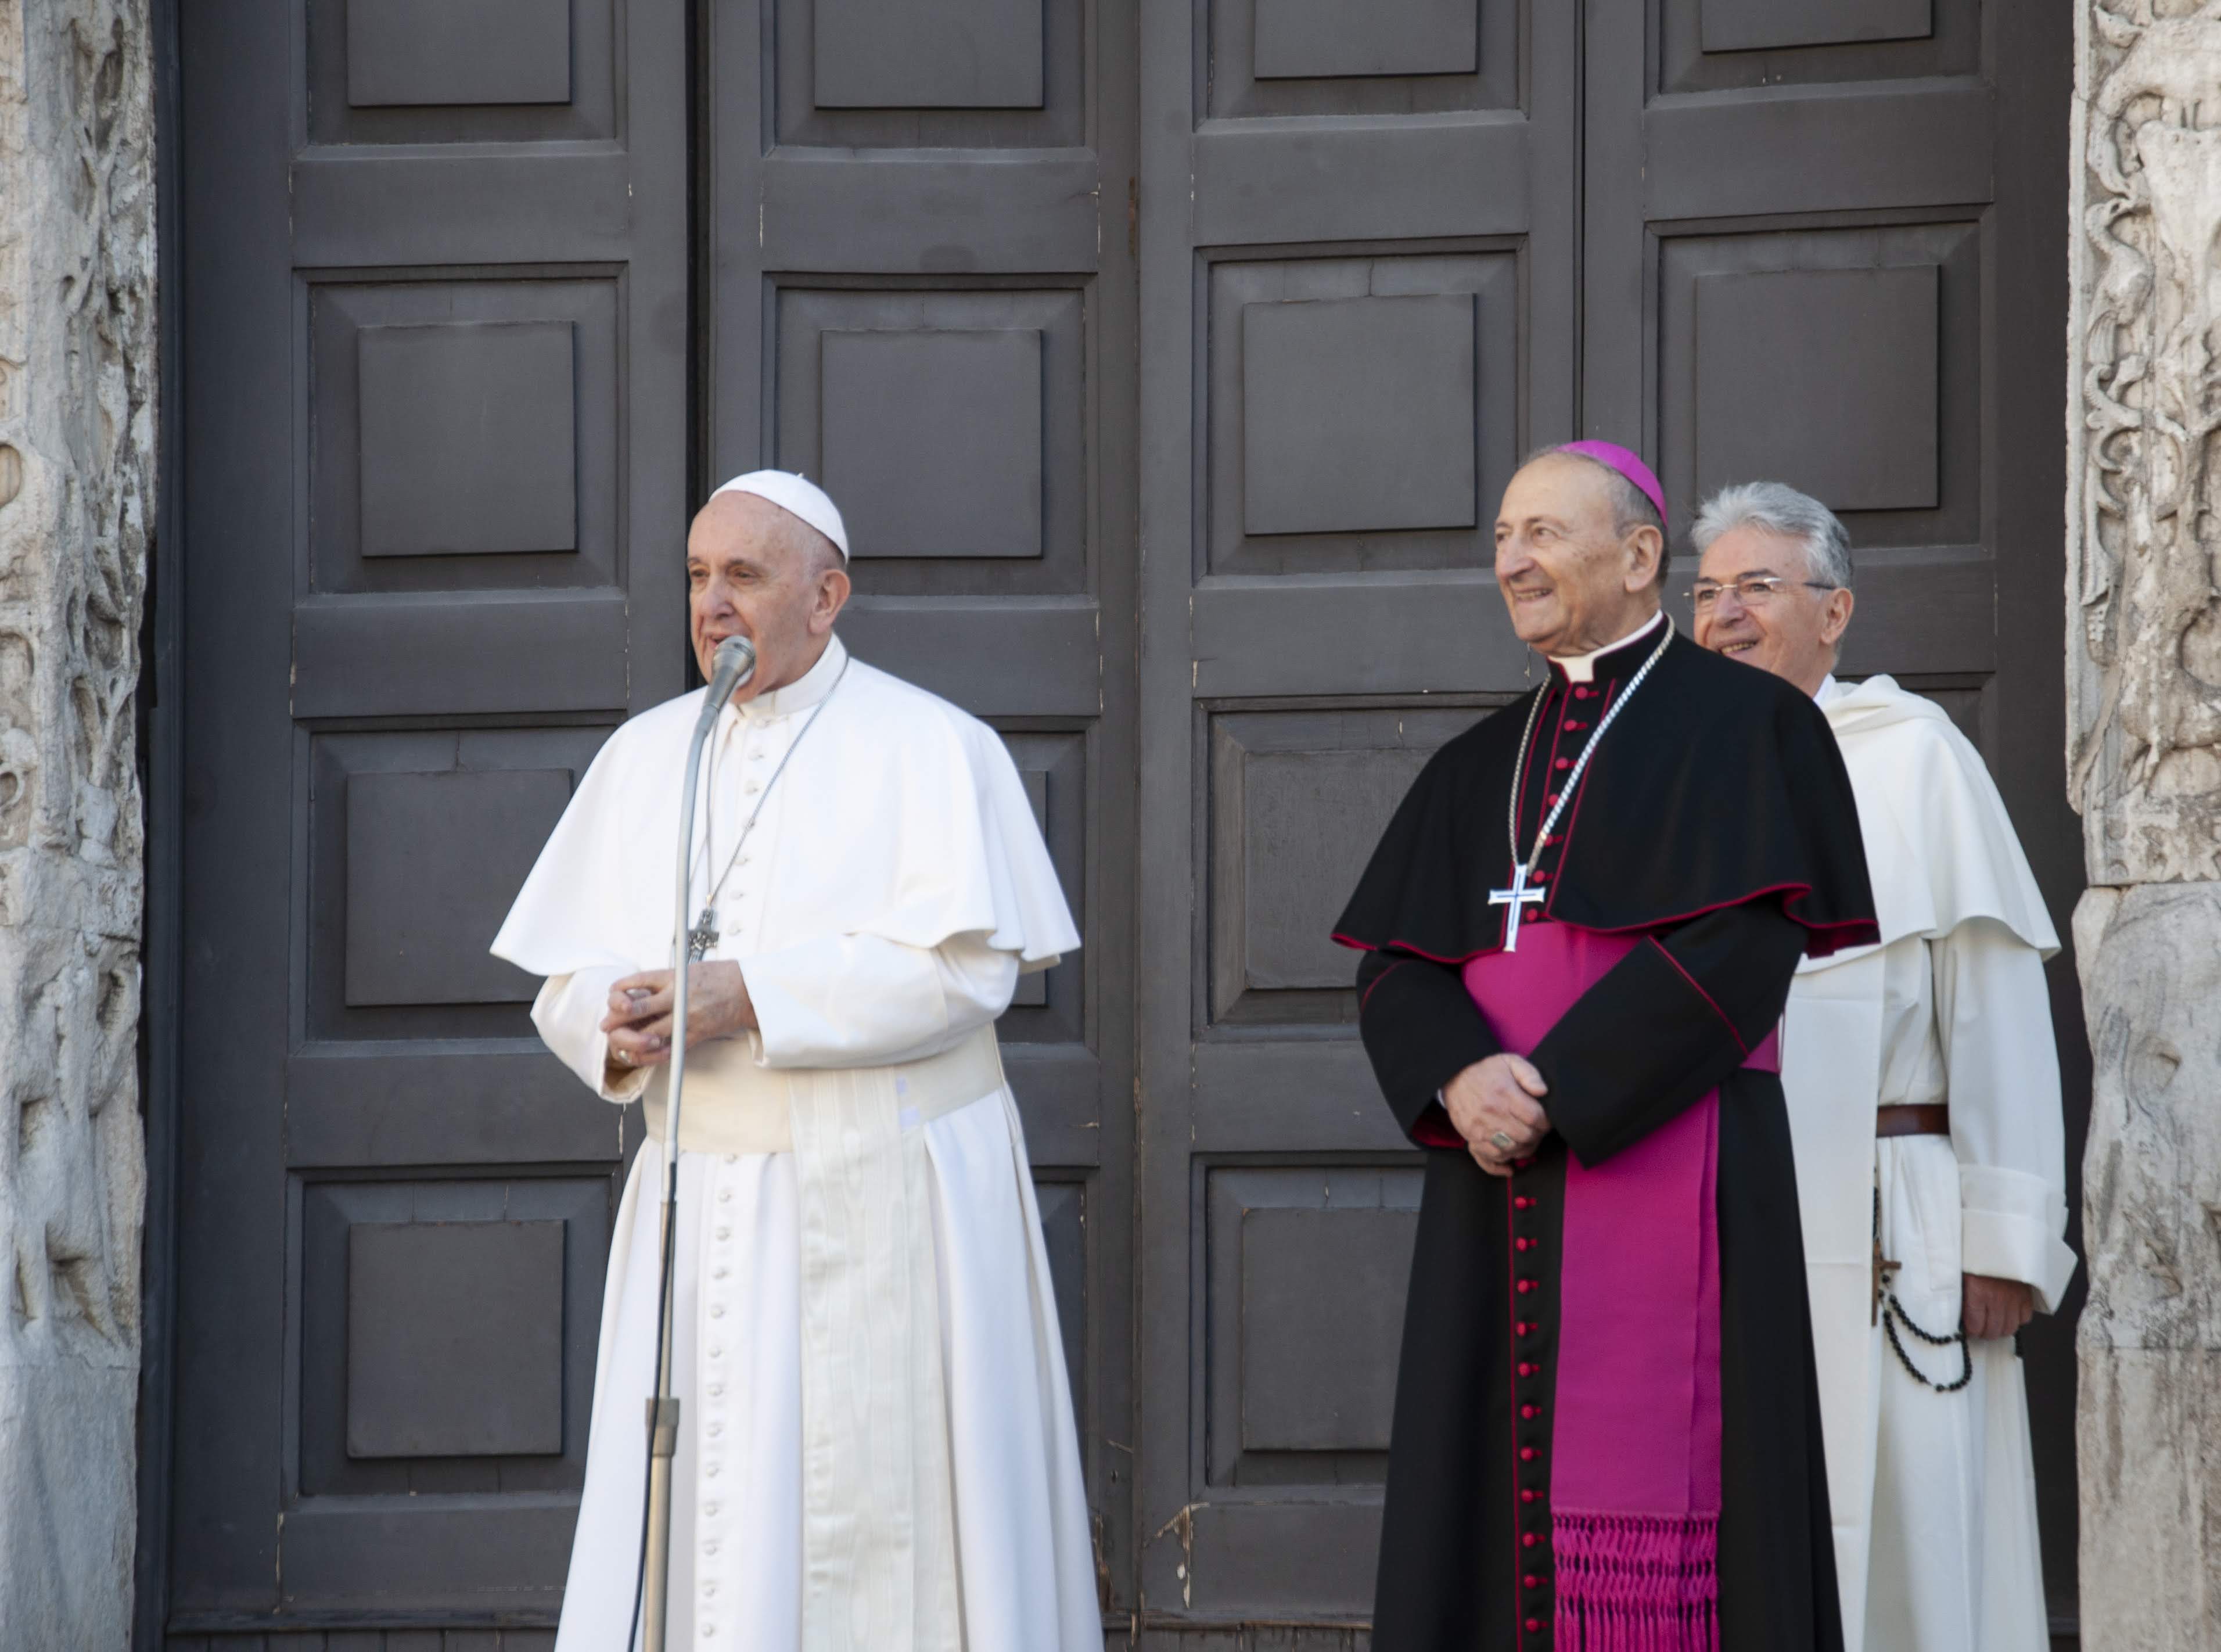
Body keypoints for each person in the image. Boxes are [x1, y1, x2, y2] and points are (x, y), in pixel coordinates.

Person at [491, 472, 1100, 1652]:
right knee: (713, 1518)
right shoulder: (645, 755)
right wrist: (608, 1029)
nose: (711, 604)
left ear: (828, 598)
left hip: (893, 1197)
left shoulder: (932, 745)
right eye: (695, 576)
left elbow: (968, 974)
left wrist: (748, 995)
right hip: (705, 1191)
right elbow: (563, 979)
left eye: (744, 576)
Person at [1334, 443, 1879, 1652]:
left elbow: (1748, 943)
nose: (1512, 560)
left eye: (1543, 533)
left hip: (1669, 1146)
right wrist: (1461, 1078)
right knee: (1477, 1495)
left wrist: (1563, 1092)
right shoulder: (1474, 761)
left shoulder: (1748, 727)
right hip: (1492, 1171)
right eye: (1501, 538)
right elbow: (1395, 963)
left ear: (1639, 557)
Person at [1690, 481, 2073, 1652]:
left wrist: (2007, 1238)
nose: (1724, 615)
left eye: (1757, 586)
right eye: (1704, 593)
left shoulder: (1914, 760)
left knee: (1905, 1540)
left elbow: (1996, 1008)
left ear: (1834, 610)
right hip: (1713, 1215)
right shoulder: (1670, 775)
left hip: (1891, 1224)